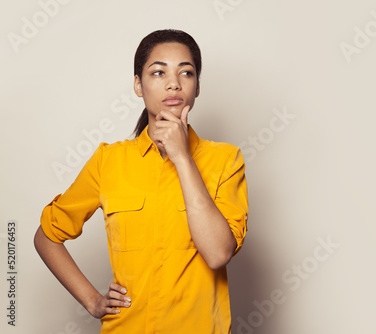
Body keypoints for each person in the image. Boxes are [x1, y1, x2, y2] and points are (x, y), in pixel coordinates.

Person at [34, 29, 248, 333]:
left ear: (197, 86)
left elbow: (217, 254)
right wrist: (92, 301)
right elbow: (47, 237)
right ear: (138, 85)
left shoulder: (227, 160)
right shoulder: (109, 161)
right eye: (158, 72)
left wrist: (182, 158)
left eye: (185, 73)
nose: (173, 83)